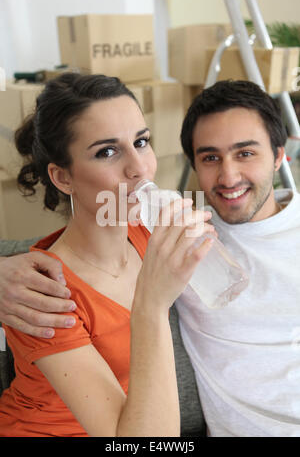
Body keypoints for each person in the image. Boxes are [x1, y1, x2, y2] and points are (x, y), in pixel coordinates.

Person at [0, 72, 213, 437]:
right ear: (63, 178)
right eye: (107, 151)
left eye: (141, 142)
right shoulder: (42, 294)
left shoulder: (147, 235)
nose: (140, 168)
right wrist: (152, 304)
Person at [177, 80, 300, 437]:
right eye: (210, 158)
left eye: (245, 153)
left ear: (279, 155)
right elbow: (79, 251)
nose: (228, 177)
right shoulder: (180, 234)